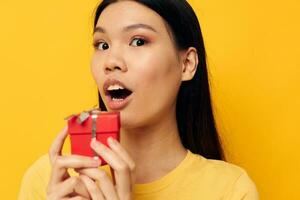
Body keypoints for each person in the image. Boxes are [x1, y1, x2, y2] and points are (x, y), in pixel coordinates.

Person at [18, 0, 259, 199]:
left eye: (138, 41)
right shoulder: (51, 181)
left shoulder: (230, 190)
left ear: (187, 64)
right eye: (102, 45)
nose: (111, 61)